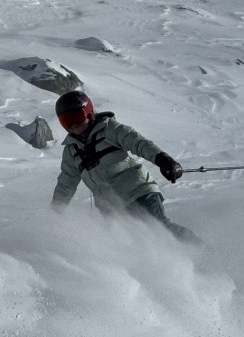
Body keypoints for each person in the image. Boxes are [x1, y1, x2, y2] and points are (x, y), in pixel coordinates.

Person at [51, 90, 200, 243]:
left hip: (138, 193)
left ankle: (200, 249)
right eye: (66, 121)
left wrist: (163, 160)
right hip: (112, 209)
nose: (73, 124)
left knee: (159, 229)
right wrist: (55, 212)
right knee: (130, 245)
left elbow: (138, 143)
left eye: (77, 117)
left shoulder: (109, 129)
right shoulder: (71, 151)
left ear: (89, 112)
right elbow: (65, 184)